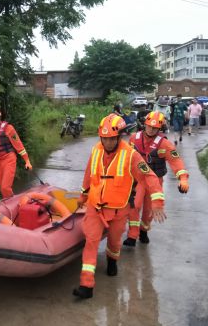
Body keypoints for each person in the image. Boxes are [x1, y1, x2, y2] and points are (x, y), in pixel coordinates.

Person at [73, 114, 166, 299]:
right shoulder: (96, 150)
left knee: (115, 242)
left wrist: (157, 202)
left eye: (112, 139)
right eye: (105, 139)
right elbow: (88, 175)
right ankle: (86, 285)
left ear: (119, 137)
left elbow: (150, 177)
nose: (108, 143)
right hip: (95, 207)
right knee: (91, 242)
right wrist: (83, 196)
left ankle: (112, 260)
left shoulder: (131, 155)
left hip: (119, 210)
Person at [123, 112, 189, 247]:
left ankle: (144, 230)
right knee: (135, 205)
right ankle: (132, 234)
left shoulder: (164, 144)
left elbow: (176, 161)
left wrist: (183, 179)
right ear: (145, 125)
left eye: (154, 128)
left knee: (149, 210)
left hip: (156, 181)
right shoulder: (134, 138)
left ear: (160, 129)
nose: (151, 129)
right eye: (149, 126)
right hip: (138, 180)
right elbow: (125, 159)